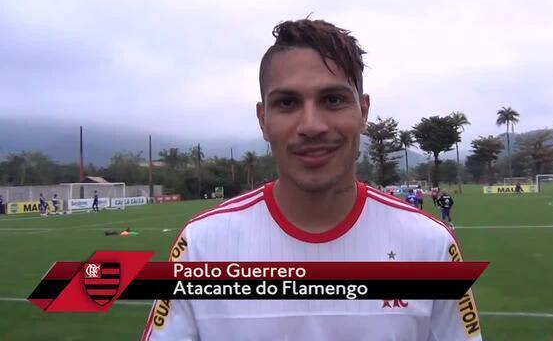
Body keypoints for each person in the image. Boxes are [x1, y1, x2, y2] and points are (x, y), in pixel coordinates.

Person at [143, 18, 482, 341]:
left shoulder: (431, 247)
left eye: (332, 100)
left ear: (363, 112)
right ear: (263, 119)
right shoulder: (201, 248)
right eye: (287, 103)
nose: (312, 125)